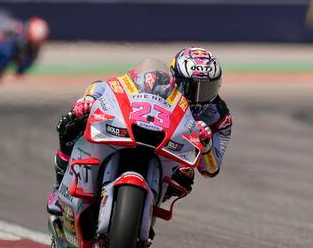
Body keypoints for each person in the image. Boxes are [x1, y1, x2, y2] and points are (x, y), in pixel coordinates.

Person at [47, 48, 232, 215]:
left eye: (208, 88)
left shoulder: (220, 116)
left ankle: (145, 209)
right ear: (175, 78)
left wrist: (206, 146)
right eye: (192, 88)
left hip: (172, 153)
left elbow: (212, 169)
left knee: (186, 174)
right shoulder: (157, 81)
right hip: (142, 131)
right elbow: (110, 85)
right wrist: (89, 98)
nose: (200, 98)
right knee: (70, 124)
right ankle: (58, 188)